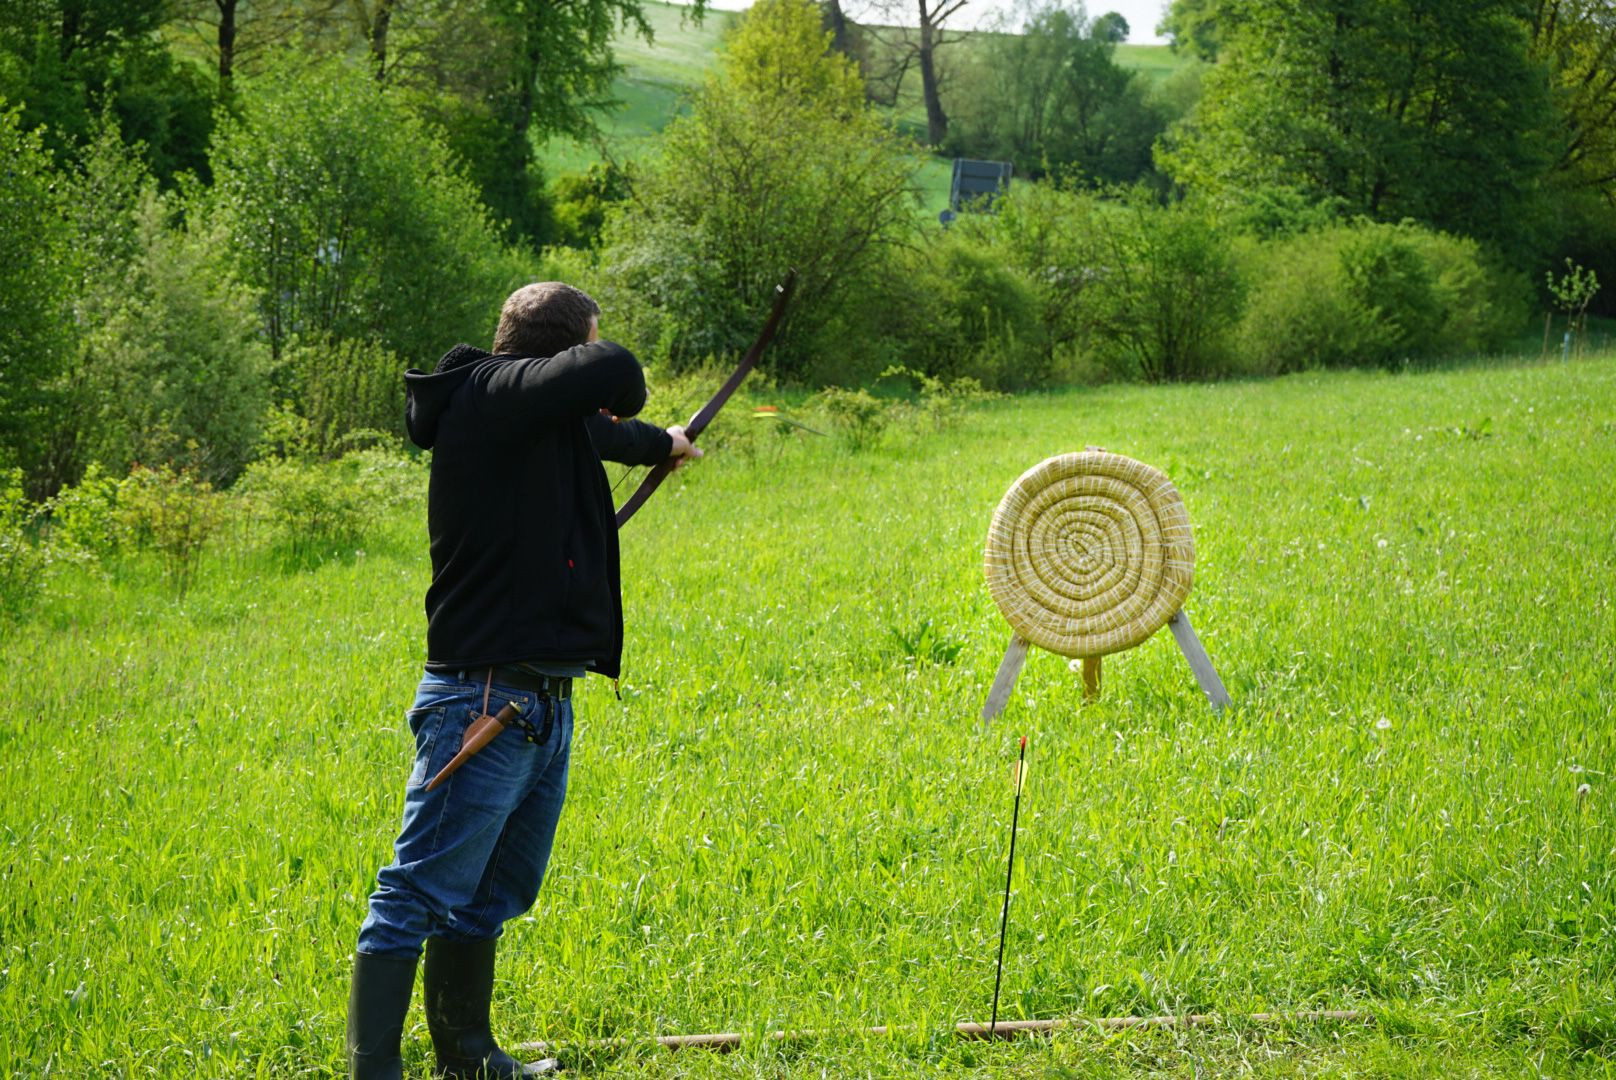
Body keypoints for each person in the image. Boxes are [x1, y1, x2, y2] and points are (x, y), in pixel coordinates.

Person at [346, 282, 699, 1079]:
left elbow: (606, 429)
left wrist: (663, 443)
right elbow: (611, 369)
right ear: (560, 349)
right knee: (413, 895)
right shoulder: (485, 394)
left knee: (485, 897)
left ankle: (468, 1059)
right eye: (583, 344)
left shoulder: (533, 419)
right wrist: (605, 367)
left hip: (538, 700)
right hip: (484, 699)